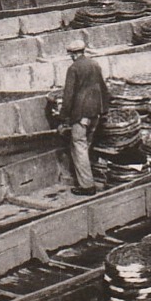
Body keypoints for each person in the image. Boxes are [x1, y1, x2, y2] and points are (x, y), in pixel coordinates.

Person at [60, 39, 109, 195]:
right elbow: (104, 88)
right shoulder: (95, 65)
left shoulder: (73, 69)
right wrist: (104, 110)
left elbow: (68, 96)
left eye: (70, 54)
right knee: (86, 144)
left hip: (81, 114)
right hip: (96, 112)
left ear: (74, 54)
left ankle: (87, 186)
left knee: (79, 146)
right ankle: (89, 178)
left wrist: (64, 117)